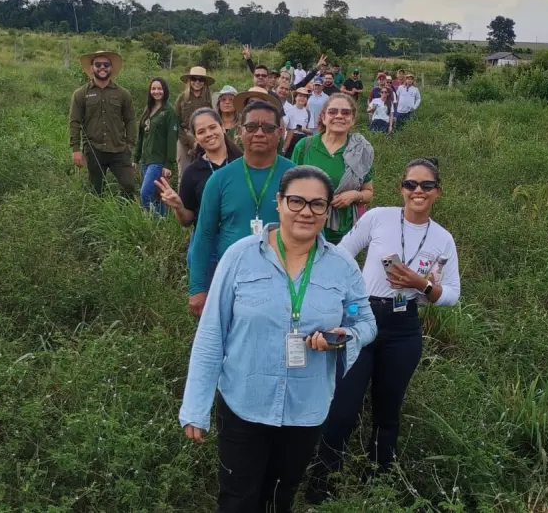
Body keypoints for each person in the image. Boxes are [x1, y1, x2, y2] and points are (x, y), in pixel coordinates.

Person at [179, 165, 377, 513]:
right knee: (238, 500)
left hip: (306, 408)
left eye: (317, 204)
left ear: (327, 209)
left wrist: (346, 335)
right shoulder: (240, 256)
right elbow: (212, 333)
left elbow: (366, 322)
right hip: (244, 402)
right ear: (279, 202)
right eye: (296, 201)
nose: (306, 212)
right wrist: (195, 407)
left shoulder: (342, 265)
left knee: (278, 500)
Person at [306, 157, 461, 505]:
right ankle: (321, 485)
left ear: (438, 192)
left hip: (404, 328)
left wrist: (423, 285)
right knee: (342, 408)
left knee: (387, 413)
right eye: (411, 184)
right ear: (400, 188)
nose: (418, 191)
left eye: (427, 185)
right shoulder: (378, 218)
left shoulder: (443, 239)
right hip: (362, 319)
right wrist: (345, 296)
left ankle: (377, 485)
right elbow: (342, 253)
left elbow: (452, 293)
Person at [187, 100, 295, 317]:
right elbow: (204, 234)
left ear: (280, 132)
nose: (259, 133)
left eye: (268, 128)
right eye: (251, 127)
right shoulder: (220, 179)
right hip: (233, 279)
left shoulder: (296, 177)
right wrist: (197, 288)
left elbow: (314, 233)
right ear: (240, 131)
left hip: (285, 278)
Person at [158, 108, 242, 288]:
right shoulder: (192, 172)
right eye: (201, 131)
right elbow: (187, 220)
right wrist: (178, 206)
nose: (209, 134)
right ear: (196, 138)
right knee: (206, 301)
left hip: (240, 241)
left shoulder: (243, 163)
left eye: (212, 127)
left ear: (222, 127)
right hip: (206, 246)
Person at [291, 93, 374, 244]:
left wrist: (355, 195)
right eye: (333, 111)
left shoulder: (361, 151)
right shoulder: (305, 146)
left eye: (346, 112)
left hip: (343, 233)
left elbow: (368, 193)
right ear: (323, 117)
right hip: (306, 226)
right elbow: (290, 188)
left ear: (353, 119)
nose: (339, 116)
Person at [69, 50, 136, 198]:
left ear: (111, 67)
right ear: (92, 68)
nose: (102, 67)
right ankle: (100, 213)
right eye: (98, 64)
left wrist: (129, 145)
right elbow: (74, 122)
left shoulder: (123, 94)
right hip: (94, 149)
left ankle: (121, 211)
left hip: (119, 149)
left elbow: (130, 120)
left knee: (128, 186)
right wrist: (75, 149)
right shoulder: (81, 94)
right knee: (96, 191)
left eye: (106, 64)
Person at [132, 76, 178, 216]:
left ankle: (153, 220)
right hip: (146, 160)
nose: (156, 91)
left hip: (158, 161)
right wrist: (136, 157)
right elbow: (141, 136)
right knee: (157, 195)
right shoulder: (148, 109)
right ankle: (161, 224)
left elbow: (172, 139)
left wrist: (169, 164)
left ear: (165, 90)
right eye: (153, 88)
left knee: (145, 193)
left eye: (159, 88)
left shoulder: (169, 112)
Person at [175, 66, 214, 181]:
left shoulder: (209, 99)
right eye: (194, 79)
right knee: (183, 173)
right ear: (189, 81)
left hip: (204, 137)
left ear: (204, 82)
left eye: (200, 79)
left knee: (204, 172)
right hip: (184, 135)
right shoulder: (182, 98)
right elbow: (176, 121)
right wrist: (187, 141)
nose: (197, 82)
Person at [282, 86, 314, 158]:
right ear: (295, 97)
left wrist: (303, 129)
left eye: (304, 97)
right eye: (300, 96)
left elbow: (311, 131)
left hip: (302, 139)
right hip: (289, 138)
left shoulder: (308, 113)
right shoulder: (288, 110)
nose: (302, 98)